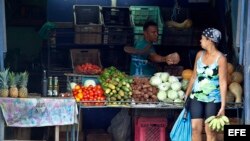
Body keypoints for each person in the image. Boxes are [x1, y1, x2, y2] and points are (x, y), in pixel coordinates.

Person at [185, 28, 227, 141]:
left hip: (213, 99)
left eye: (203, 38)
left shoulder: (221, 58)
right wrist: (187, 94)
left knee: (210, 131)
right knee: (195, 128)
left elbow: (223, 82)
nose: (200, 40)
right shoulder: (199, 54)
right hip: (196, 97)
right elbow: (194, 76)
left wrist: (223, 106)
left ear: (210, 40)